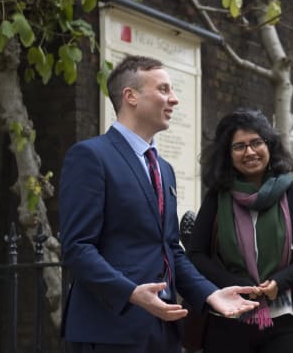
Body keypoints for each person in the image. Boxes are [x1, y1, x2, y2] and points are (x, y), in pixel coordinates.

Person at [59, 55, 258, 353]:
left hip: (163, 331)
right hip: (109, 331)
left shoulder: (164, 168)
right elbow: (77, 247)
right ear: (131, 96)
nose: (174, 99)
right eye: (164, 89)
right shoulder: (90, 157)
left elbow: (170, 248)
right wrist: (131, 293)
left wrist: (209, 294)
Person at [187, 108, 293, 352]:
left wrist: (280, 282)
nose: (249, 152)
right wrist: (234, 284)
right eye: (239, 146)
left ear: (269, 146)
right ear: (228, 155)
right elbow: (196, 253)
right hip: (228, 320)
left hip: (284, 320)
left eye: (256, 143)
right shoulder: (217, 198)